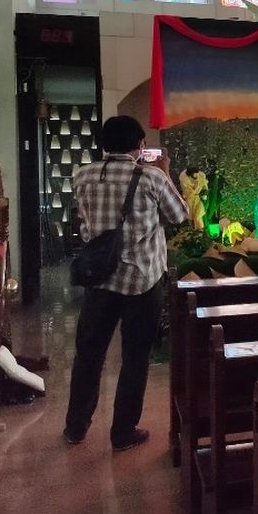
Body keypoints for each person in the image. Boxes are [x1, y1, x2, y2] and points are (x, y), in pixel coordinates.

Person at [65, 116, 188, 451]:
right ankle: (122, 432)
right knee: (135, 357)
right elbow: (180, 215)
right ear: (139, 145)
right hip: (141, 281)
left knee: (89, 354)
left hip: (99, 279)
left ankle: (76, 427)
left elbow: (86, 219)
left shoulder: (83, 175)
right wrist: (164, 171)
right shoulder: (151, 177)